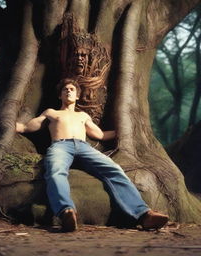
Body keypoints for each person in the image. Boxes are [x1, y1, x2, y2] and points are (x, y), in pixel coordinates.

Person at [16, 78, 169, 232]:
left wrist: (125, 131)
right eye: (65, 89)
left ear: (77, 96)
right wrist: (18, 126)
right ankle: (66, 212)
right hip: (60, 146)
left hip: (84, 147)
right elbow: (28, 126)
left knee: (114, 169)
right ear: (60, 96)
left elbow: (101, 135)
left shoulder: (83, 116)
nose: (68, 91)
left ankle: (144, 215)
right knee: (55, 171)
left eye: (72, 89)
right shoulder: (52, 112)